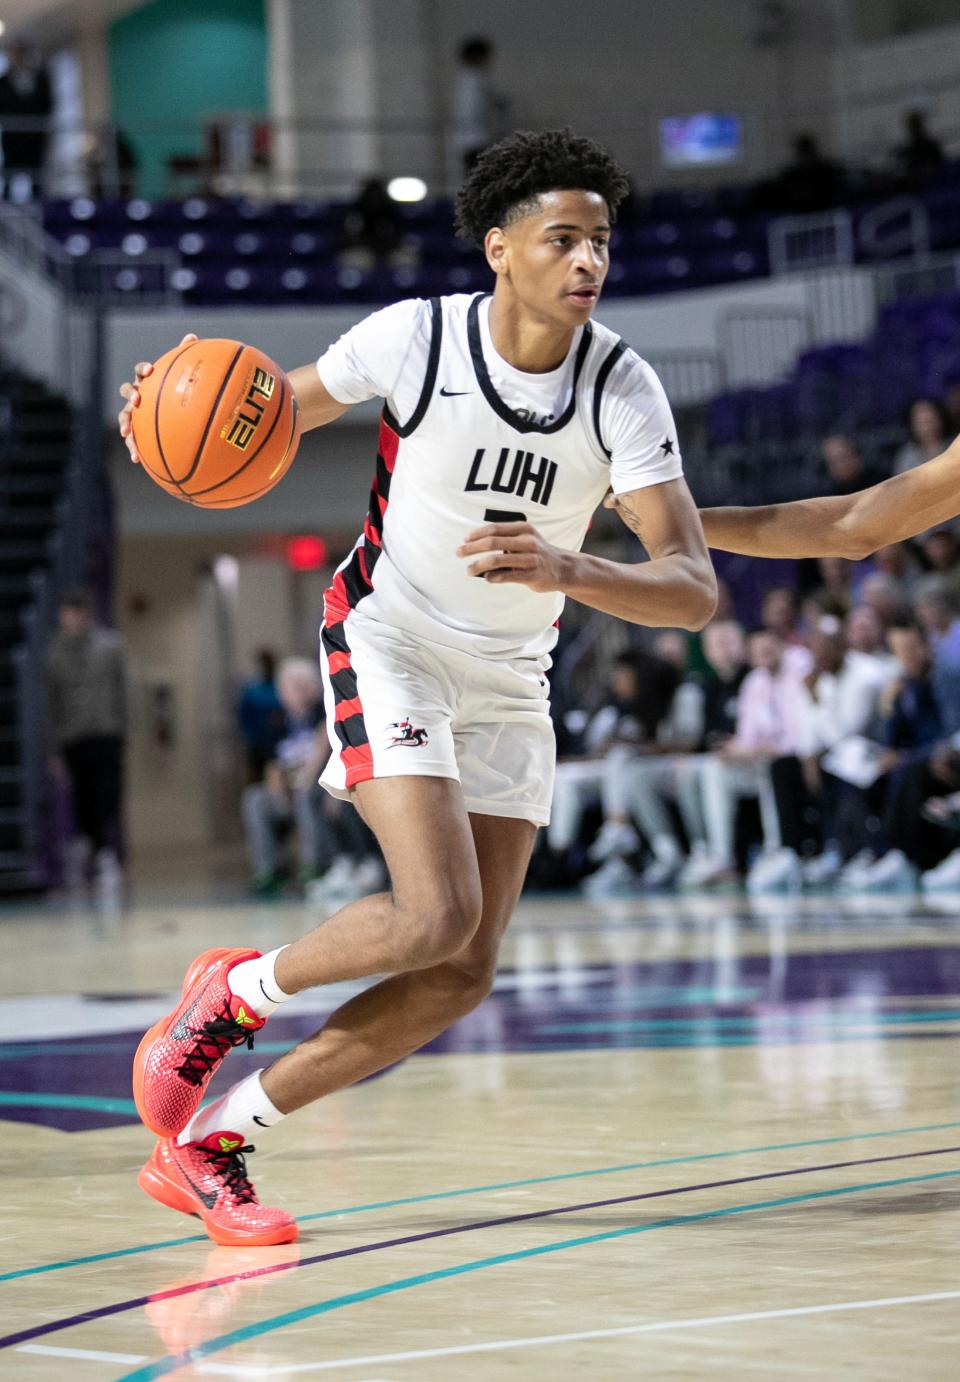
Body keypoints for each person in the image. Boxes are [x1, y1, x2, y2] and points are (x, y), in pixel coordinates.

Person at [119, 128, 717, 1245]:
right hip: (387, 633)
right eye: (562, 239)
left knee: (460, 971)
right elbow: (264, 409)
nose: (588, 261)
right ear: (499, 247)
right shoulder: (417, 338)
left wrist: (574, 566)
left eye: (600, 242)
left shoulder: (622, 385)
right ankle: (236, 991)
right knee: (435, 910)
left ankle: (213, 1140)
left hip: (511, 670)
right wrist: (162, 421)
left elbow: (691, 589)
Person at [46, 586, 127, 895]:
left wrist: (122, 729)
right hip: (74, 737)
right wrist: (54, 748)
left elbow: (121, 689)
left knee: (108, 796)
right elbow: (53, 703)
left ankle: (106, 855)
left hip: (106, 733)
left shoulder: (109, 646)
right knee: (84, 798)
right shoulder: (55, 652)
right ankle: (93, 851)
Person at [0, 38, 52, 198]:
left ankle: (39, 207)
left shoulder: (40, 79)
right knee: (10, 175)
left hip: (35, 138)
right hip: (12, 138)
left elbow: (47, 104)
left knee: (37, 178)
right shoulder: (3, 82)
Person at [449, 36, 508, 175]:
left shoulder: (471, 79)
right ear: (478, 56)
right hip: (476, 139)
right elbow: (470, 110)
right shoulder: (473, 80)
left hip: (473, 137)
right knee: (478, 176)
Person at [236, 649, 285, 783]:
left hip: (280, 741)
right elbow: (244, 717)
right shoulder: (252, 690)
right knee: (258, 779)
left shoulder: (281, 687)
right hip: (259, 742)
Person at [892, 398, 952, 476]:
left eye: (932, 419)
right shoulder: (906, 456)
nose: (929, 427)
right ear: (912, 425)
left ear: (941, 419)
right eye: (922, 422)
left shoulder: (955, 446)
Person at [890, 109, 944, 190]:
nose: (912, 128)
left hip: (931, 185)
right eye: (912, 125)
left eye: (914, 125)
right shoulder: (908, 149)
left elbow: (939, 166)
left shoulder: (929, 146)